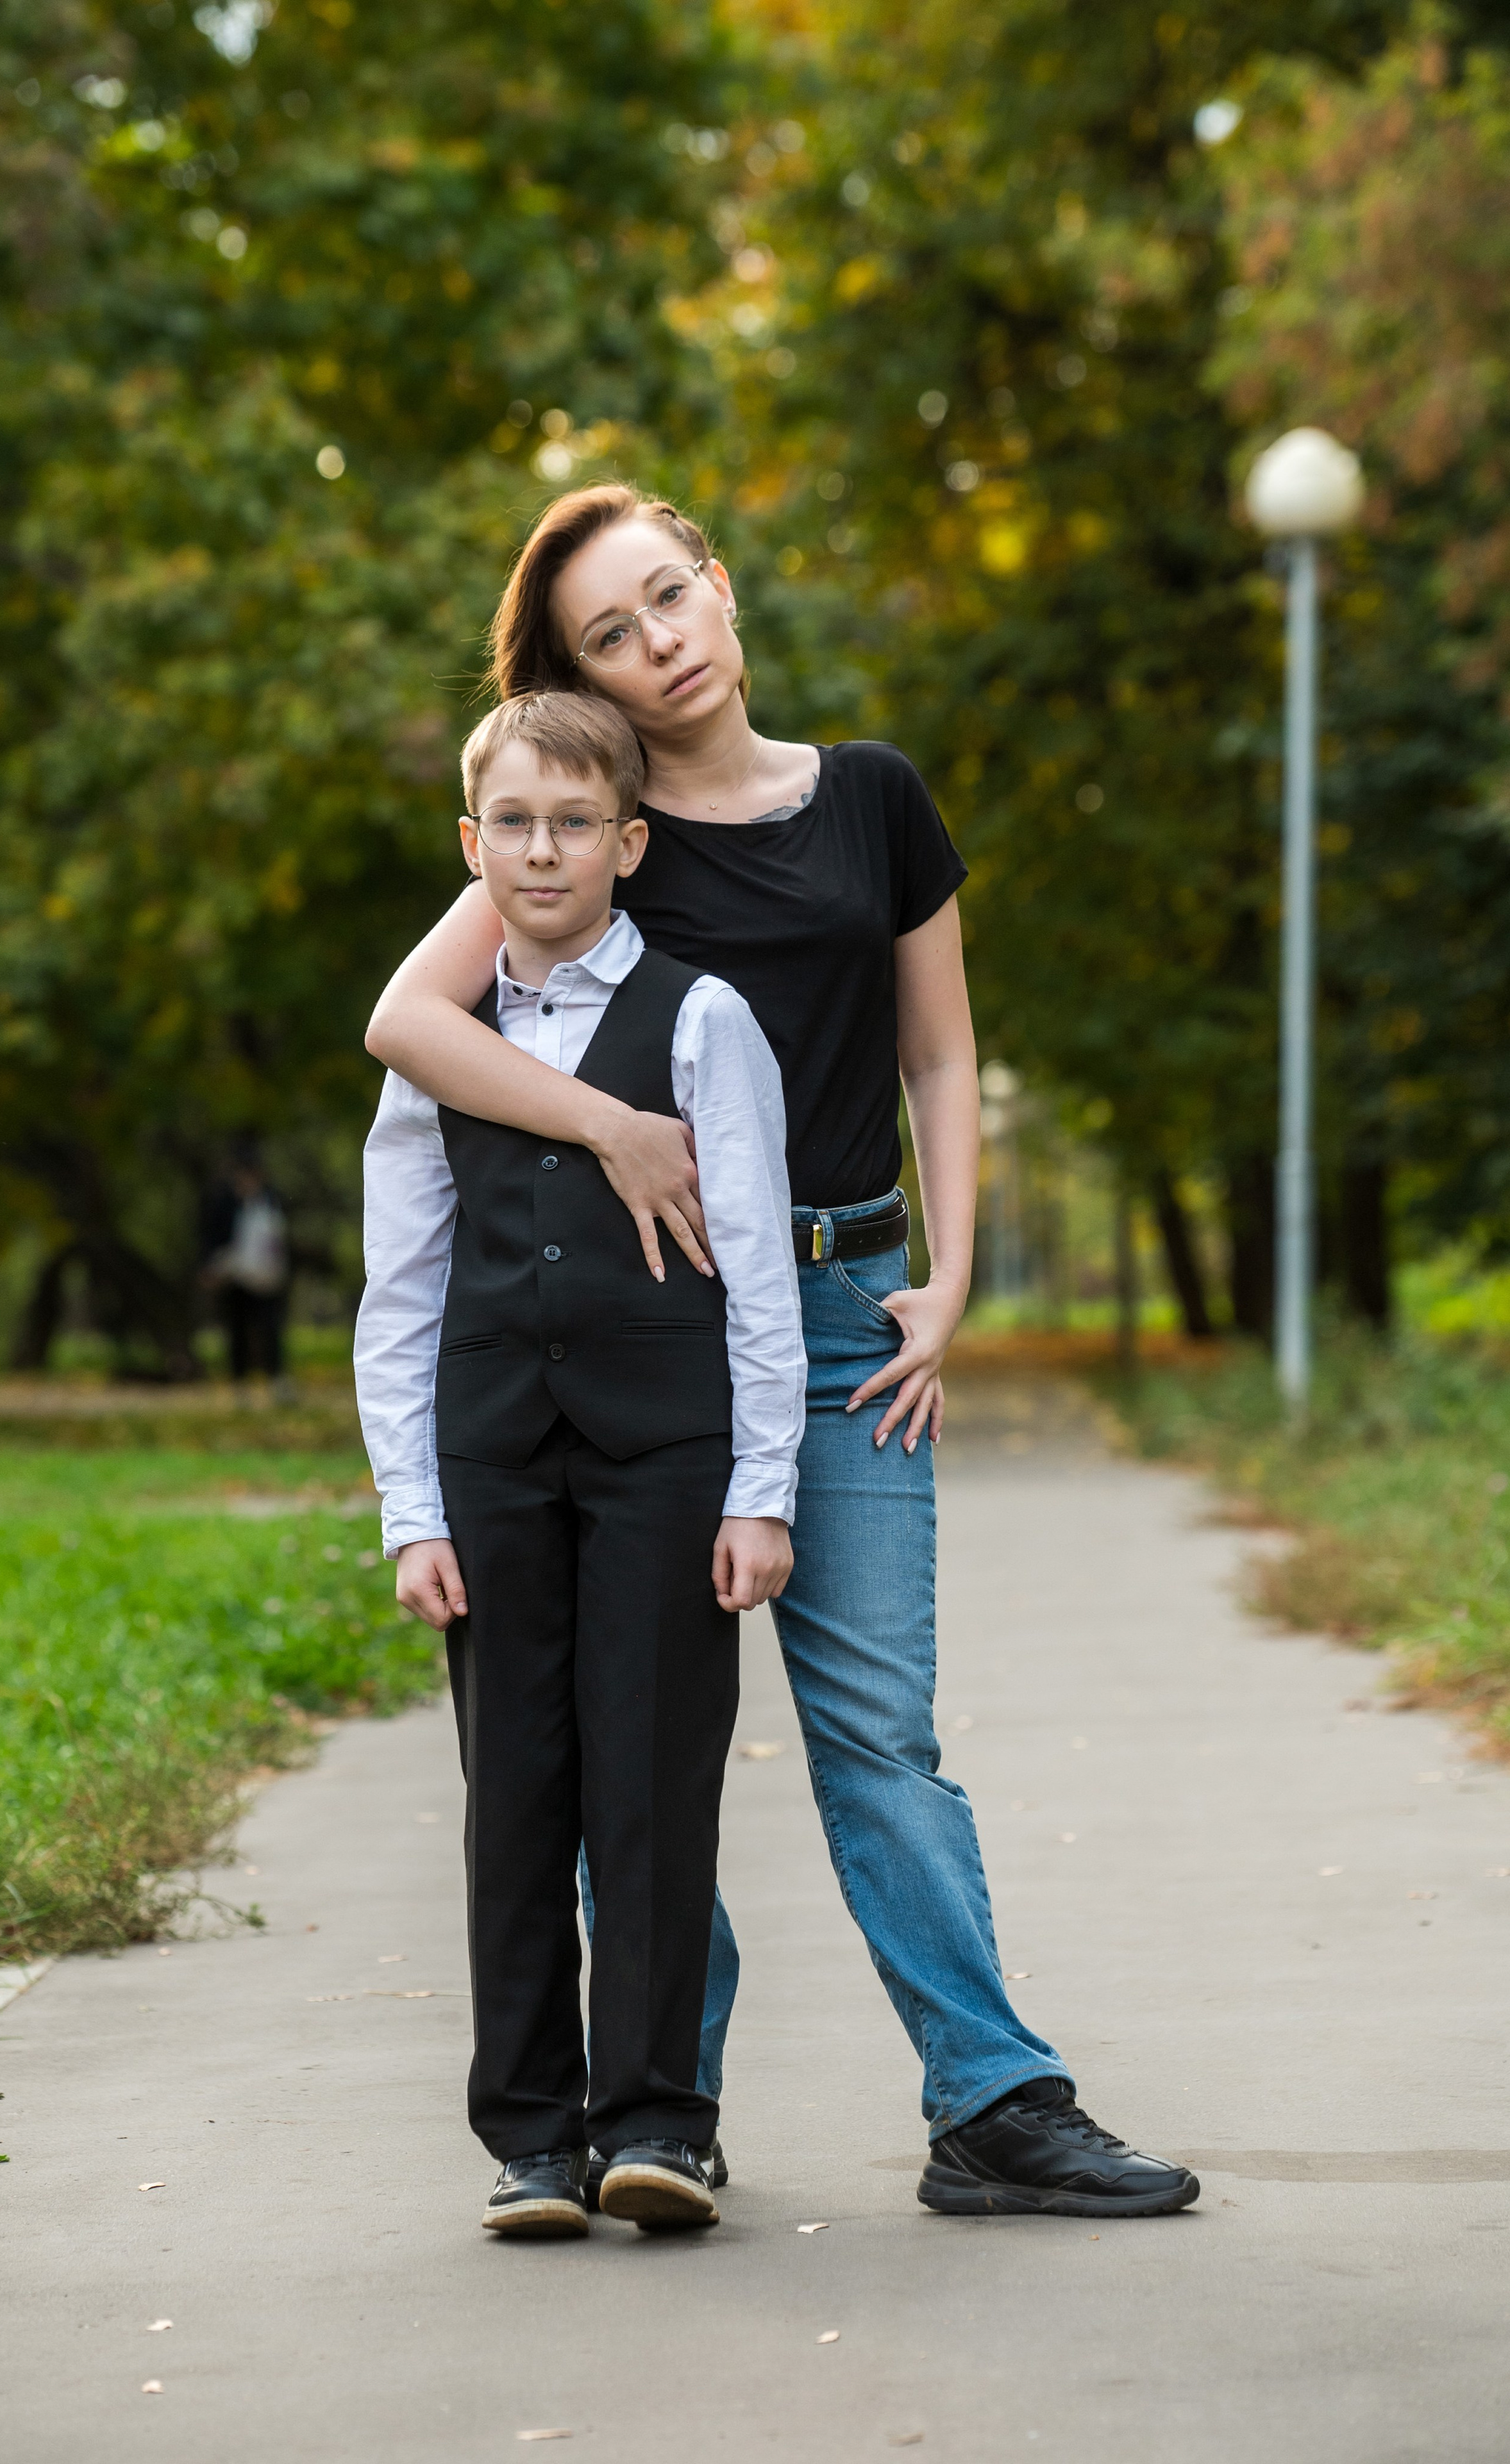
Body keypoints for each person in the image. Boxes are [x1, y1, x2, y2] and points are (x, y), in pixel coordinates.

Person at [364, 484, 1198, 2222]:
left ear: (720, 584)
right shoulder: (593, 822)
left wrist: (948, 1278)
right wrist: (611, 1127)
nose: (659, 642)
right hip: (654, 1329)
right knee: (623, 1744)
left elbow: (939, 1057)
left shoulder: (872, 796)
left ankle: (992, 2100)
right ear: (577, 678)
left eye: (668, 595)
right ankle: (659, 2109)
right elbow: (409, 1024)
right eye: (609, 633)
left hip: (844, 1319)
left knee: (880, 1730)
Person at [354, 689, 805, 2238]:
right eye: (512, 823)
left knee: (653, 1786)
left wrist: (759, 1489)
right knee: (514, 1799)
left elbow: (756, 1273)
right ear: (469, 842)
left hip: (663, 1458)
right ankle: (533, 2138)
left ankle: (658, 2122)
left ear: (627, 842)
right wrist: (411, 1510)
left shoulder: (697, 1018)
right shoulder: (438, 1047)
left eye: (571, 823)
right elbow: (400, 1291)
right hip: (490, 1459)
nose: (540, 850)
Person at [201, 1159, 290, 1393]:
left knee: (270, 1330)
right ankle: (240, 1383)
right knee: (238, 1332)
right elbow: (214, 1239)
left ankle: (276, 1379)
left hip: (267, 1278)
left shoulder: (271, 1201)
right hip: (236, 1279)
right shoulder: (225, 1204)